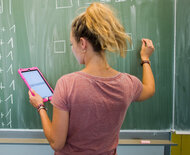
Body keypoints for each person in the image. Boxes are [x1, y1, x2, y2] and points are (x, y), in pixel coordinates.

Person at [28, 2, 155, 155]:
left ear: (82, 43)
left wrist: (40, 106)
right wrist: (145, 59)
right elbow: (149, 89)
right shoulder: (127, 83)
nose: (73, 49)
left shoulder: (67, 84)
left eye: (71, 44)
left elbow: (56, 143)